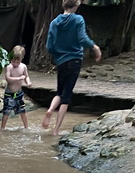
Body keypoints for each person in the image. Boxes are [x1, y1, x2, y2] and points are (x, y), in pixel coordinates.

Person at [42, 0, 101, 135]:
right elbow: (82, 39)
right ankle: (56, 130)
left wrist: (59, 55)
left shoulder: (54, 22)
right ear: (76, 5)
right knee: (66, 95)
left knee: (59, 92)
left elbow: (49, 46)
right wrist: (95, 47)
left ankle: (50, 109)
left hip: (61, 61)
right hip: (74, 60)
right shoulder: (78, 19)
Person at [1, 46, 32, 130]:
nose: (15, 63)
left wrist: (28, 82)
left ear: (21, 59)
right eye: (13, 61)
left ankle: (26, 127)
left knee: (22, 110)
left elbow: (26, 76)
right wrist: (18, 78)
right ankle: (2, 128)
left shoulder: (23, 67)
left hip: (19, 93)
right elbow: (8, 78)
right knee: (7, 111)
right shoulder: (9, 67)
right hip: (9, 93)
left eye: (17, 62)